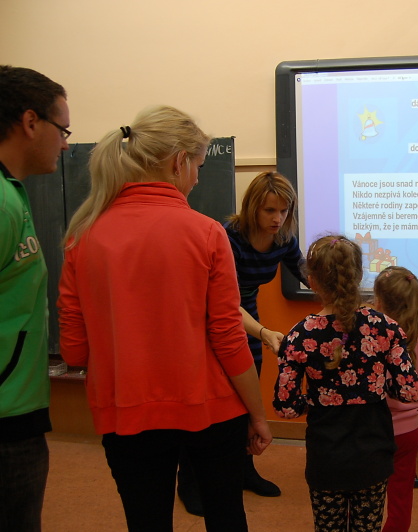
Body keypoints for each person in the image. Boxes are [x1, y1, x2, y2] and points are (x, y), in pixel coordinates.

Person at [57, 105, 272, 532]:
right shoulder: (207, 232)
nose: (197, 178)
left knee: (146, 521)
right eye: (198, 166)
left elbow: (75, 352)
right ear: (178, 162)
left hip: (126, 412)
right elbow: (228, 338)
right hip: (211, 409)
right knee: (227, 517)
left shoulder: (82, 236)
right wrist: (258, 414)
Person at [273, 235, 418, 532]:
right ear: (358, 276)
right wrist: (377, 386)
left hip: (326, 458)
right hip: (373, 455)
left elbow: (285, 407)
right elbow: (411, 391)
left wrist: (315, 400)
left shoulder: (298, 336)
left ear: (312, 281)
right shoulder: (387, 328)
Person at [177, 171, 304, 513]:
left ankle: (244, 470)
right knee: (205, 403)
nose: (278, 219)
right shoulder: (227, 238)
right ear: (252, 208)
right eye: (270, 211)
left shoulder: (284, 238)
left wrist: (343, 291)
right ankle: (188, 482)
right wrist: (263, 332)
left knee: (246, 400)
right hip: (212, 318)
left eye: (284, 211)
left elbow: (307, 274)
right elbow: (223, 302)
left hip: (247, 315)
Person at [0, 65, 69, 532]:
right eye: (62, 130)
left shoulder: (12, 193)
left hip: (17, 412)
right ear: (30, 122)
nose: (65, 144)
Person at [372, 266, 418, 532]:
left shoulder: (368, 342)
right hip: (408, 432)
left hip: (373, 429)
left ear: (377, 303)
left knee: (369, 493)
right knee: (401, 496)